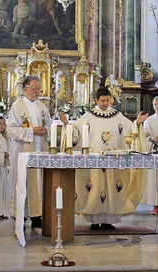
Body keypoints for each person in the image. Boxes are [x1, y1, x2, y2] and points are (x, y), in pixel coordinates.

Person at [61, 88, 148, 230]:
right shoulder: (88, 116)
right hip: (94, 160)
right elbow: (75, 129)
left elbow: (129, 129)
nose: (105, 103)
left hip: (114, 159)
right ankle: (94, 221)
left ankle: (109, 220)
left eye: (107, 100)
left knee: (112, 189)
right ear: (96, 100)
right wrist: (67, 125)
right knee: (95, 189)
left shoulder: (117, 115)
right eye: (102, 101)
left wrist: (137, 124)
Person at [7, 75, 51, 228]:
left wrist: (47, 130)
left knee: (38, 183)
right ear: (26, 89)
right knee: (25, 182)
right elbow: (11, 130)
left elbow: (50, 125)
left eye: (39, 89)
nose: (37, 92)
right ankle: (22, 215)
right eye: (34, 89)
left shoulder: (42, 107)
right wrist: (32, 132)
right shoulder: (16, 107)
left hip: (40, 151)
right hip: (24, 152)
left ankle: (37, 216)